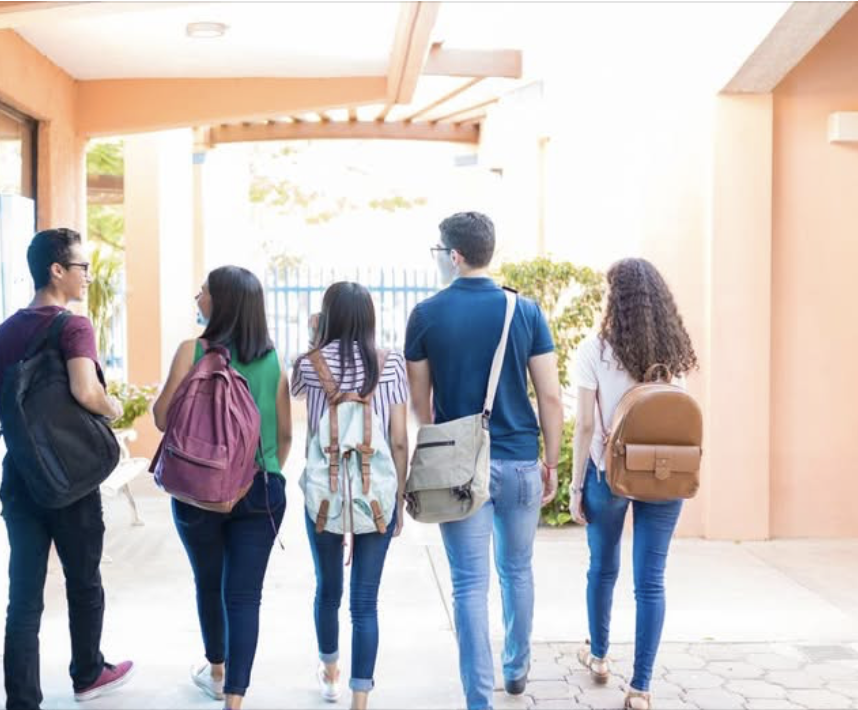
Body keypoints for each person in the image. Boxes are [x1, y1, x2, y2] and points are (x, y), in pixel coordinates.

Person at [403, 212, 564, 710]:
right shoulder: (525, 311)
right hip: (520, 462)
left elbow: (420, 407)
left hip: (458, 468)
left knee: (469, 585)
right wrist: (552, 463)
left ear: (454, 256)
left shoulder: (425, 315)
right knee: (517, 569)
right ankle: (516, 669)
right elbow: (550, 397)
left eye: (438, 251)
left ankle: (479, 699)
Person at [0, 228, 135, 710]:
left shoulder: (2, 334)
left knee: (24, 597)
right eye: (81, 267)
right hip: (69, 478)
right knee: (83, 579)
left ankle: (22, 701)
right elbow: (86, 391)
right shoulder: (73, 327)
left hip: (21, 475)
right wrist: (114, 408)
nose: (87, 276)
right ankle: (88, 672)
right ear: (56, 270)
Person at [152, 266, 292, 709]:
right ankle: (235, 697)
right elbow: (285, 435)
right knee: (245, 595)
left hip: (198, 488)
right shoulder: (273, 361)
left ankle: (216, 671)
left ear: (222, 302)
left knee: (209, 583)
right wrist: (261, 471)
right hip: (261, 488)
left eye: (204, 290)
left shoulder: (192, 351)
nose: (198, 296)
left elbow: (161, 418)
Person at [568, 257, 699, 710]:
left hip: (609, 474)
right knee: (651, 581)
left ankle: (600, 657)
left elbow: (586, 425)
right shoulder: (675, 354)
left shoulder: (595, 351)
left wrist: (575, 486)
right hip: (664, 472)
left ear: (615, 300)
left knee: (602, 568)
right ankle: (640, 688)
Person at [291, 283, 410, 709]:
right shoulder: (391, 363)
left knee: (327, 589)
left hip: (323, 494)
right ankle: (360, 698)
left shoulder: (308, 365)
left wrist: (315, 337)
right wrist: (399, 499)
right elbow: (399, 439)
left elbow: (303, 416)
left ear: (327, 316)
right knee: (365, 602)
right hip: (375, 494)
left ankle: (330, 673)